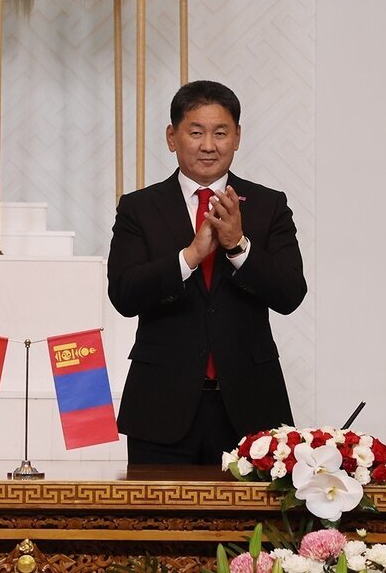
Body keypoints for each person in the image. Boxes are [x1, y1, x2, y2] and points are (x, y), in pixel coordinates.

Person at [107, 80, 306, 465]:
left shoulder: (268, 206)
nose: (209, 145)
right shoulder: (139, 208)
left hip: (251, 407)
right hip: (160, 405)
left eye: (220, 133)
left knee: (247, 526)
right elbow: (124, 294)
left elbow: (290, 294)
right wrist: (189, 256)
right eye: (195, 132)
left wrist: (238, 247)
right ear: (172, 136)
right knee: (157, 523)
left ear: (237, 137)